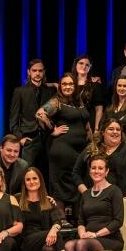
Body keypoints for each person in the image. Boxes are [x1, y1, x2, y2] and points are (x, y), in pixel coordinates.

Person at [64, 155, 124, 251]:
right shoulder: (85, 194)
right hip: (89, 238)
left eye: (100, 168)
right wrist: (82, 233)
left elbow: (118, 221)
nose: (96, 171)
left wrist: (95, 234)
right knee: (68, 245)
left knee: (80, 244)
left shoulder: (114, 191)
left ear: (106, 171)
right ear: (89, 171)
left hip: (110, 239)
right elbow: (81, 221)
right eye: (93, 168)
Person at [37, 72, 91, 212]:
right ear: (60, 86)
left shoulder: (79, 101)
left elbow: (86, 125)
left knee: (78, 182)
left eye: (71, 84)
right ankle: (59, 222)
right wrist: (52, 129)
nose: (68, 86)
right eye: (64, 84)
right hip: (62, 150)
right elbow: (40, 113)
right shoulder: (57, 101)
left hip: (80, 150)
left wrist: (92, 142)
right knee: (61, 186)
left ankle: (76, 221)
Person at [16, 167, 66, 251]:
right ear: (24, 183)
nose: (31, 182)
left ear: (40, 181)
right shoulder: (17, 199)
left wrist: (53, 230)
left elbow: (58, 220)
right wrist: (52, 232)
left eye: (34, 178)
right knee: (58, 237)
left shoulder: (48, 201)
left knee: (49, 250)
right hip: (25, 241)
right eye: (28, 179)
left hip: (46, 240)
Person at [73, 118, 126, 203]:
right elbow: (76, 173)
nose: (115, 132)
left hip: (120, 200)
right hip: (93, 200)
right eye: (111, 129)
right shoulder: (91, 149)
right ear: (103, 132)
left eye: (118, 129)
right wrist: (85, 193)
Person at [10, 59, 54, 167]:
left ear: (44, 72)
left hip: (48, 139)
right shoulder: (20, 91)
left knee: (47, 174)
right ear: (28, 72)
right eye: (34, 70)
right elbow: (13, 120)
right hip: (29, 139)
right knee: (28, 173)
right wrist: (20, 138)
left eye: (40, 70)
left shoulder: (50, 91)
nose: (37, 73)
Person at [102, 75, 126, 147]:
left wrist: (109, 125)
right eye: (119, 85)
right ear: (116, 87)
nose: (122, 88)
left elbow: (124, 123)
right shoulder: (109, 107)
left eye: (125, 86)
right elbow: (102, 124)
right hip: (109, 144)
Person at [70, 54, 104, 131]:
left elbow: (99, 109)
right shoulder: (69, 83)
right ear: (76, 64)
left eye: (87, 65)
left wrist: (96, 129)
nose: (84, 66)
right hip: (71, 124)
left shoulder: (95, 84)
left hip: (89, 124)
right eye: (81, 63)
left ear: (90, 67)